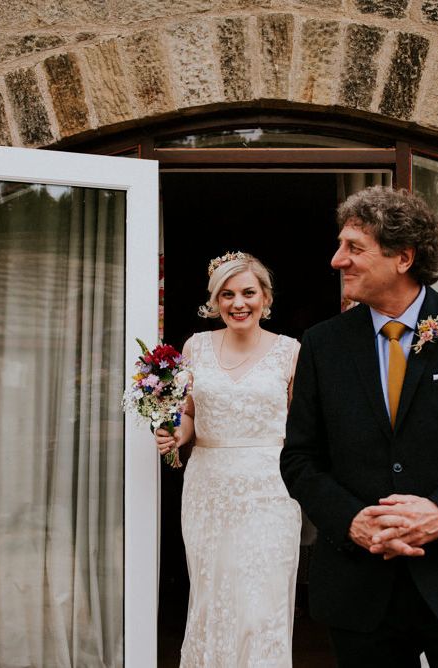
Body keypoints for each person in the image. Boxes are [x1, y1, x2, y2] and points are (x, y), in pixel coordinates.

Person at [280, 187, 438, 667]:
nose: (338, 260)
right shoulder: (321, 345)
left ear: (404, 257)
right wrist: (351, 521)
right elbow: (299, 459)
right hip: (360, 591)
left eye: (354, 248)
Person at [155, 251, 302, 667]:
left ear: (265, 298)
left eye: (248, 293)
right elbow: (188, 414)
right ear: (214, 301)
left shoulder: (289, 351)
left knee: (260, 605)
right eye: (227, 294)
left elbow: (303, 428)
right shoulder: (196, 347)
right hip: (209, 489)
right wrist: (174, 434)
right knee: (212, 597)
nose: (239, 303)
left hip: (269, 491)